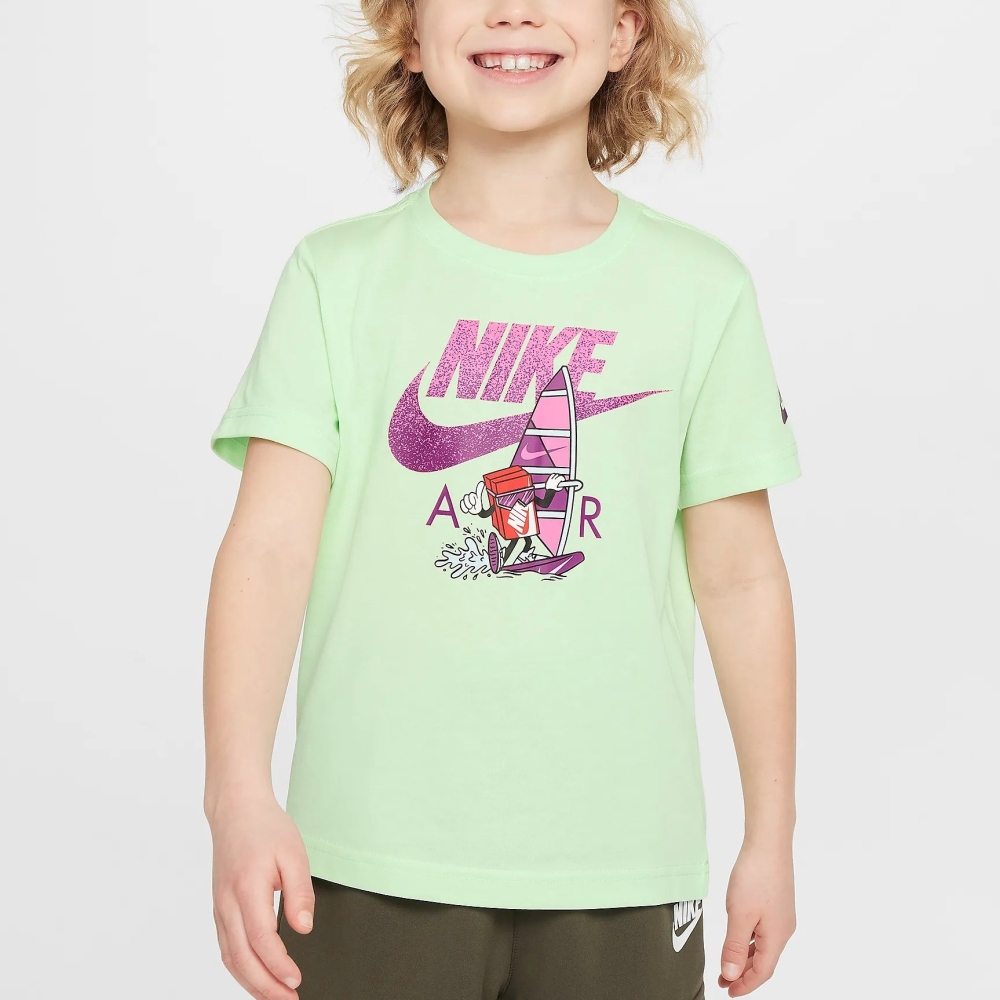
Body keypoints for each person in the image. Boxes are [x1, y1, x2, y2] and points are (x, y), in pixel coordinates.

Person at [203, 0, 800, 997]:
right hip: (367, 852)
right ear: (410, 32)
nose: (514, 8)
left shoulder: (702, 288)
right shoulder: (335, 277)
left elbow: (741, 579)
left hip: (622, 859)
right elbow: (267, 551)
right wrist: (235, 796)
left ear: (624, 33)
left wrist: (770, 836)